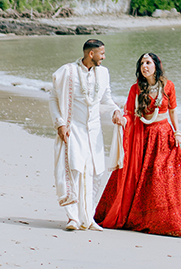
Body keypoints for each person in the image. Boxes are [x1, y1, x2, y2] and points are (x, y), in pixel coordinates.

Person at [95, 52, 181, 236]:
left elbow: (174, 111)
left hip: (163, 135)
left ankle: (173, 222)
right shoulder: (136, 89)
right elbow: (129, 112)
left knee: (164, 179)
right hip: (141, 137)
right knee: (142, 177)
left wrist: (177, 132)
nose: (145, 66)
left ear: (156, 66)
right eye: (142, 63)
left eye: (148, 63)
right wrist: (122, 119)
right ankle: (141, 217)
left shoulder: (168, 86)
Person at [49, 39, 124, 231]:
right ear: (91, 54)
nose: (104, 57)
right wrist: (60, 123)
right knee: (74, 169)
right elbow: (54, 97)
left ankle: (88, 217)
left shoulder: (104, 73)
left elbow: (106, 98)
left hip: (94, 130)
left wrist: (115, 111)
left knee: (94, 172)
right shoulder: (68, 71)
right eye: (102, 53)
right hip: (73, 128)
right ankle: (73, 218)